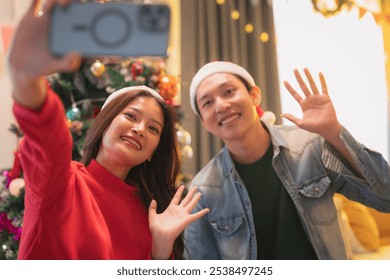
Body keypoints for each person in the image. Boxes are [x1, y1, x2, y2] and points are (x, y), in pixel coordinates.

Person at [7, 0, 208, 260]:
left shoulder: (152, 214)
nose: (139, 129)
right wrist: (25, 77)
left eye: (153, 128)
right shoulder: (61, 183)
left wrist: (160, 248)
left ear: (152, 153)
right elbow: (48, 139)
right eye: (130, 116)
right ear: (104, 125)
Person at [183, 61, 390, 260]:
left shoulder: (310, 146)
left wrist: (334, 133)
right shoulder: (203, 190)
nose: (221, 105)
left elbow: (385, 198)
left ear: (254, 95)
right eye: (207, 103)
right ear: (204, 121)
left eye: (229, 91)